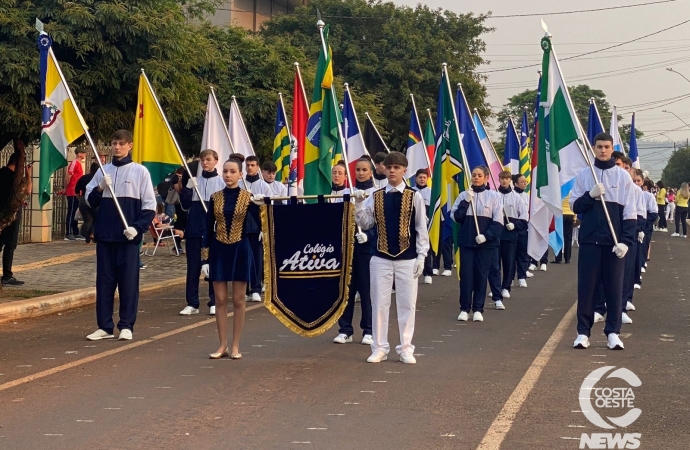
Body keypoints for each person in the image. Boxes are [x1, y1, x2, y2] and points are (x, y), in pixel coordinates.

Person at [354, 152, 429, 364]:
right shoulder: (376, 196)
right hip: (380, 257)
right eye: (389, 167)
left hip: (407, 257)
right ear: (384, 170)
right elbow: (366, 223)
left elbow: (420, 228)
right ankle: (379, 347)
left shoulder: (415, 196)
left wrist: (422, 256)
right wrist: (359, 205)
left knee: (407, 304)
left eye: (397, 167)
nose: (393, 171)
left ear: (405, 170)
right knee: (379, 303)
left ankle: (406, 347)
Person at [85, 130, 156, 341]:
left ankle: (126, 325)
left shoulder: (140, 172)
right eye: (114, 143)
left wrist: (137, 227)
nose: (117, 147)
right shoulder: (103, 171)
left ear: (130, 145)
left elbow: (150, 206)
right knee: (104, 283)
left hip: (127, 237)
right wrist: (99, 188)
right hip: (106, 236)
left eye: (121, 143)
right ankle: (104, 326)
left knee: (128, 283)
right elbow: (89, 201)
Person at [570, 132, 635, 351]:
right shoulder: (584, 175)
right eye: (599, 147)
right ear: (593, 149)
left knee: (614, 289)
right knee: (586, 289)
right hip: (589, 242)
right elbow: (574, 206)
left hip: (614, 244)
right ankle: (582, 332)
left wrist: (626, 241)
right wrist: (590, 195)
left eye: (607, 147)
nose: (603, 150)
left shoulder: (622, 177)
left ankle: (613, 333)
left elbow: (630, 213)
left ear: (612, 148)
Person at [203, 157, 255, 359]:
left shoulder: (247, 196)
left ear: (240, 174)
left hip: (240, 248)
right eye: (225, 171)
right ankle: (222, 344)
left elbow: (259, 224)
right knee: (221, 299)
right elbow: (207, 229)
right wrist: (204, 259)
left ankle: (235, 346)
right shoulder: (215, 197)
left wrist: (260, 206)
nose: (228, 175)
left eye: (232, 171)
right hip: (219, 250)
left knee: (239, 300)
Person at [451, 166, 503, 322]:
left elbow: (498, 221)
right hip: (467, 242)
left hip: (485, 244)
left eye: (479, 175)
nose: (476, 178)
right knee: (466, 275)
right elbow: (456, 217)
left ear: (486, 178)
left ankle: (478, 308)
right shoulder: (463, 196)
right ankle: (464, 308)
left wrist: (487, 236)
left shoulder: (494, 196)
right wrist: (466, 201)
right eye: (474, 175)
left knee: (481, 275)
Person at [334, 156, 376, 346]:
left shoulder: (376, 193)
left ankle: (369, 329)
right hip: (346, 244)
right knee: (346, 288)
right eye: (357, 169)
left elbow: (379, 222)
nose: (360, 173)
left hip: (367, 246)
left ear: (371, 172)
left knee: (367, 289)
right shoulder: (346, 191)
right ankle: (345, 329)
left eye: (364, 170)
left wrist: (369, 235)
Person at [179, 149, 225, 316]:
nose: (204, 163)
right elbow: (184, 207)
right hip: (194, 231)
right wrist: (188, 189)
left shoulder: (221, 183)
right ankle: (192, 303)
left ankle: (214, 301)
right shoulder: (194, 181)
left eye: (208, 159)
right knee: (193, 268)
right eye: (202, 160)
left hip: (213, 232)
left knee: (213, 267)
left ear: (215, 161)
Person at [487, 171, 528, 308]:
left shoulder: (516, 197)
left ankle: (506, 287)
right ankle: (496, 288)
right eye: (502, 178)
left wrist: (515, 225)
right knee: (494, 263)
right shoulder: (493, 195)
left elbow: (524, 217)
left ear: (510, 180)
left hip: (510, 234)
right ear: (498, 179)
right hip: (496, 234)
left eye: (507, 178)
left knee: (509, 262)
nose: (504, 181)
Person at [243, 155, 272, 302]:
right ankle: (246, 289)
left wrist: (264, 227)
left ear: (257, 167)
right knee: (243, 259)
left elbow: (269, 208)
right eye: (247, 165)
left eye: (252, 165)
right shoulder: (241, 184)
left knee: (256, 258)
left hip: (256, 227)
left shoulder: (264, 186)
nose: (249, 167)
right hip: (241, 227)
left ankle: (255, 288)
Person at [0, 153, 31, 286]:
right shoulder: (15, 178)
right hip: (11, 215)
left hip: (1, 215)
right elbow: (28, 191)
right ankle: (7, 275)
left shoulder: (1, 173)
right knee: (10, 245)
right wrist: (28, 174)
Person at [412, 169, 434, 284]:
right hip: (412, 223)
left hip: (426, 224)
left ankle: (428, 273)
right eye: (420, 177)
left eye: (424, 177)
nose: (422, 179)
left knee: (426, 247)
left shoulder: (431, 192)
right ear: (416, 178)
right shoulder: (411, 191)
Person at [512, 174, 532, 286]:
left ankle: (522, 276)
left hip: (523, 228)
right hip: (511, 228)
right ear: (515, 183)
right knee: (510, 255)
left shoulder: (527, 197)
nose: (525, 183)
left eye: (525, 181)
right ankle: (509, 279)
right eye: (522, 181)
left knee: (523, 253)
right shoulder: (511, 195)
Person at [63, 148, 86, 240]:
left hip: (76, 192)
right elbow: (68, 175)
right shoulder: (74, 163)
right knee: (71, 211)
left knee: (75, 212)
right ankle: (68, 232)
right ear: (79, 154)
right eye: (84, 153)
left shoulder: (79, 164)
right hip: (72, 191)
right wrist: (65, 188)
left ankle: (75, 231)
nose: (85, 155)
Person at [75, 162, 99, 244]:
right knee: (97, 218)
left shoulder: (83, 178)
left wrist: (80, 199)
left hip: (83, 200)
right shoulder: (99, 178)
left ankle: (87, 238)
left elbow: (76, 191)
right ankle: (93, 233)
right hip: (96, 200)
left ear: (90, 169)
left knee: (87, 219)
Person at [554, 195, 575, 264]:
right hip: (570, 214)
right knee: (568, 238)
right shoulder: (571, 190)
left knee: (559, 236)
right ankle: (567, 258)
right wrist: (575, 216)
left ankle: (558, 258)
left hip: (561, 214)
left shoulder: (560, 191)